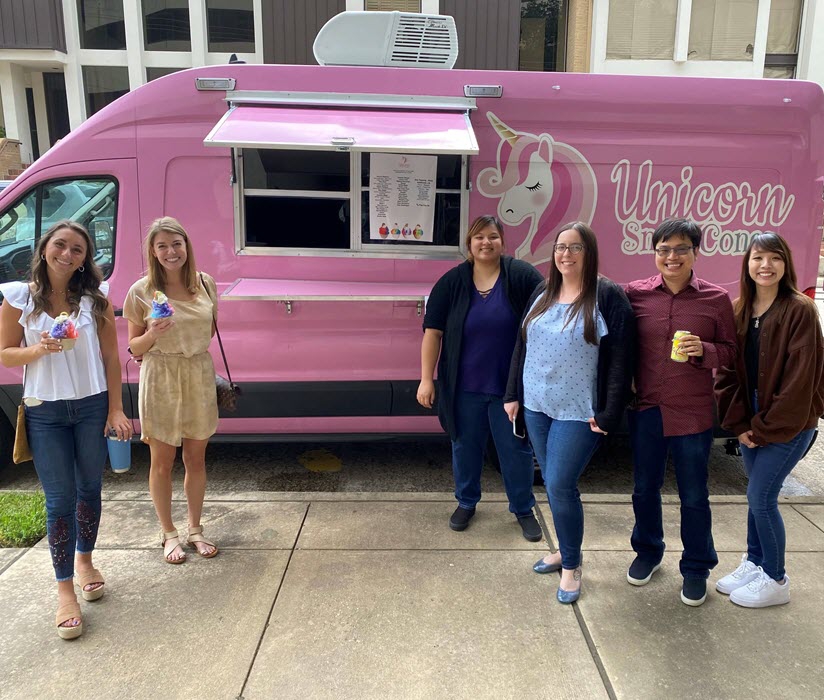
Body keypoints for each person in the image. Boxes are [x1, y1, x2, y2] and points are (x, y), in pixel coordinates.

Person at [0, 220, 132, 639]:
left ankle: (85, 559)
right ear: (44, 249)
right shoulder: (19, 298)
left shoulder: (95, 299)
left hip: (92, 406)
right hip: (45, 410)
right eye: (61, 245)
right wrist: (38, 348)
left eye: (78, 249)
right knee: (59, 500)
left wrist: (116, 410)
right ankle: (64, 591)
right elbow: (5, 354)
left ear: (84, 259)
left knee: (89, 489)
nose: (67, 254)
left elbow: (112, 358)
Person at [504, 222, 635, 603]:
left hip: (579, 411)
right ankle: (565, 548)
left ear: (589, 253)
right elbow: (521, 345)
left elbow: (620, 361)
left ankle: (573, 565)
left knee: (561, 483)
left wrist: (611, 412)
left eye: (574, 248)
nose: (565, 254)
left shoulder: (607, 296)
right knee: (553, 485)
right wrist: (513, 393)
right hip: (536, 405)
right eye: (560, 247)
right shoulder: (542, 292)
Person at [624, 218, 737, 607]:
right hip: (646, 409)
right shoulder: (635, 295)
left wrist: (705, 351)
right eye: (664, 249)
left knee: (693, 494)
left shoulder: (716, 299)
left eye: (681, 249)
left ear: (695, 253)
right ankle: (648, 552)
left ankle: (696, 567)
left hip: (692, 412)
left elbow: (732, 352)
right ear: (655, 253)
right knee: (644, 488)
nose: (672, 257)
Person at [714, 233, 824, 608]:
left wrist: (761, 430)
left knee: (761, 497)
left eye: (774, 258)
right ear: (747, 264)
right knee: (755, 497)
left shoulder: (800, 309)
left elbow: (800, 382)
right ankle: (755, 562)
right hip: (751, 416)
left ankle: (776, 579)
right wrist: (739, 424)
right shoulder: (739, 308)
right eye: (758, 257)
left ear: (786, 264)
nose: (766, 265)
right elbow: (727, 372)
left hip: (791, 421)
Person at [417, 215, 544, 540]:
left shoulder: (520, 276)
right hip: (463, 389)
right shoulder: (452, 282)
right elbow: (433, 333)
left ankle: (522, 508)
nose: (486, 243)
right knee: (464, 447)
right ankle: (466, 502)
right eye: (479, 238)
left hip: (509, 391)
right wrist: (426, 379)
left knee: (516, 452)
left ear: (502, 241)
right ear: (469, 244)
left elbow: (548, 315)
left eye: (492, 237)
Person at [124, 216, 220, 564]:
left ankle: (195, 529)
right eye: (162, 245)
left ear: (186, 245)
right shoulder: (141, 291)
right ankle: (168, 534)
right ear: (153, 250)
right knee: (161, 462)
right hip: (160, 374)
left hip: (197, 372)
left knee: (195, 458)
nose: (170, 251)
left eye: (176, 243)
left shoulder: (205, 284)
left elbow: (209, 332)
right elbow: (133, 348)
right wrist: (153, 334)